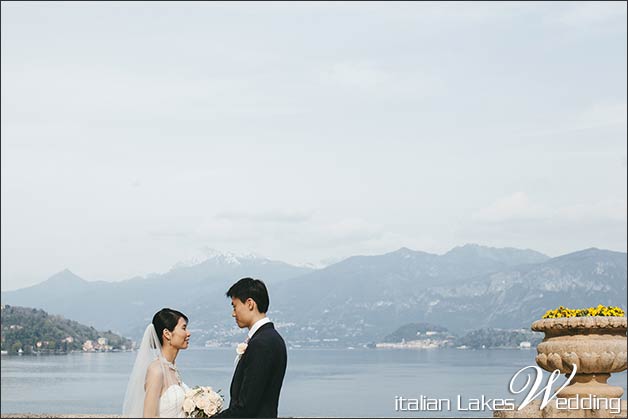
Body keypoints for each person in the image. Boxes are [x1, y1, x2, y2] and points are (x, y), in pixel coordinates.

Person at [215, 278, 287, 418]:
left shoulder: (262, 344)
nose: (233, 313)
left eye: (234, 306)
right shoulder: (271, 338)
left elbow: (246, 408)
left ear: (249, 304)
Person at [122, 308, 191, 418]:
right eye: (183, 328)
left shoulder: (172, 368)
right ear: (167, 334)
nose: (188, 333)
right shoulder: (156, 370)